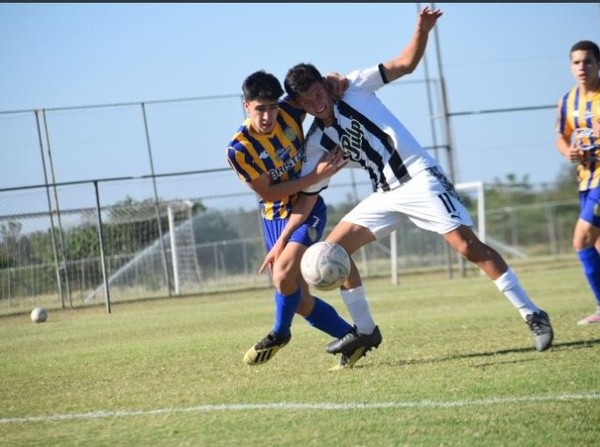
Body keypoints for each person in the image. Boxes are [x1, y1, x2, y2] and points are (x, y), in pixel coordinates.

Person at [265, 6, 554, 360]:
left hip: (418, 177)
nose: (317, 103)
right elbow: (307, 195)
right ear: (299, 105)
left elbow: (405, 64)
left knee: (467, 246)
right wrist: (283, 237)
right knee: (333, 251)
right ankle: (366, 331)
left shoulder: (354, 84)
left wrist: (423, 30)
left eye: (318, 94)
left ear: (325, 84)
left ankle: (532, 314)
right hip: (384, 194)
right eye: (307, 102)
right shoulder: (316, 144)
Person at [225, 70, 372, 369]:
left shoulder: (291, 111)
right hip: (274, 217)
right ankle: (350, 337)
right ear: (246, 107)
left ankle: (279, 333)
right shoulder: (239, 150)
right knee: (300, 300)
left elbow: (316, 88)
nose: (267, 117)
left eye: (272, 108)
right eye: (259, 110)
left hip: (309, 207)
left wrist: (335, 79)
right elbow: (269, 193)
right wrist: (313, 175)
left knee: (281, 276)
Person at [555, 40, 600, 325]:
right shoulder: (567, 101)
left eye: (587, 61)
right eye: (576, 62)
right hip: (586, 178)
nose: (581, 67)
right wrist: (568, 151)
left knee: (581, 238)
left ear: (598, 64)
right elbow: (561, 136)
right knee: (595, 245)